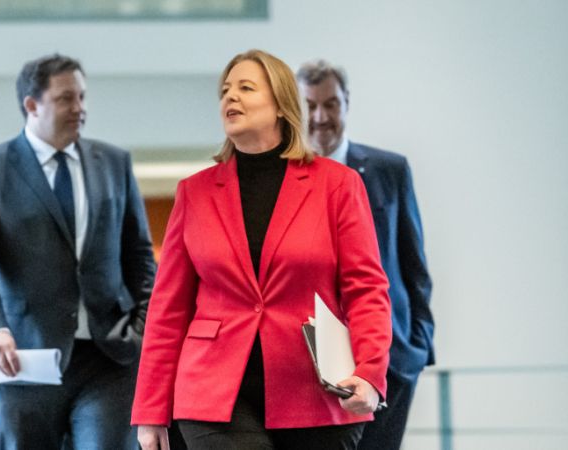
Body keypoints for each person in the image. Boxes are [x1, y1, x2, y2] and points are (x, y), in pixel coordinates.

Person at [132, 49, 393, 450]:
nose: (230, 97)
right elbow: (168, 309)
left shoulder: (338, 185)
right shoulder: (194, 193)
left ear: (281, 105)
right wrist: (150, 409)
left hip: (316, 391)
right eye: (225, 90)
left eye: (246, 87)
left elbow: (367, 289)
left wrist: (370, 371)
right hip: (211, 391)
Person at [0, 54, 156, 450]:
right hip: (20, 357)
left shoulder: (114, 163)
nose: (79, 108)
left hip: (109, 356)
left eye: (82, 96)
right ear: (32, 105)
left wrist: (142, 326)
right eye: (66, 98)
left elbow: (139, 256)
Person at [297, 59, 434, 450]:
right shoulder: (285, 178)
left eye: (331, 104)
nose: (320, 117)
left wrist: (417, 346)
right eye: (309, 105)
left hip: (392, 358)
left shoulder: (390, 170)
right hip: (312, 362)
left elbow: (414, 265)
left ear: (347, 103)